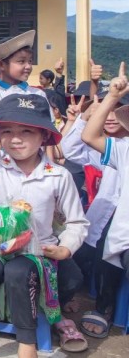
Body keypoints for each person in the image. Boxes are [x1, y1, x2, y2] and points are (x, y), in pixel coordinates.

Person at [0, 89, 88, 358]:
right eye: (7, 131)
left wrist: (66, 248)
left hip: (36, 252)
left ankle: (27, 346)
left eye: (26, 131)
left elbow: (76, 221)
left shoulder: (57, 176)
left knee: (18, 272)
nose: (15, 139)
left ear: (44, 136)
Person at [80, 63, 129, 339]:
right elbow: (88, 136)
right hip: (124, 238)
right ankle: (106, 308)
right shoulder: (124, 150)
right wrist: (111, 96)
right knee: (106, 249)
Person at [0, 5, 47, 107]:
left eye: (30, 61)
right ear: (0, 64)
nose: (28, 66)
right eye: (21, 61)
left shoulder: (38, 95)